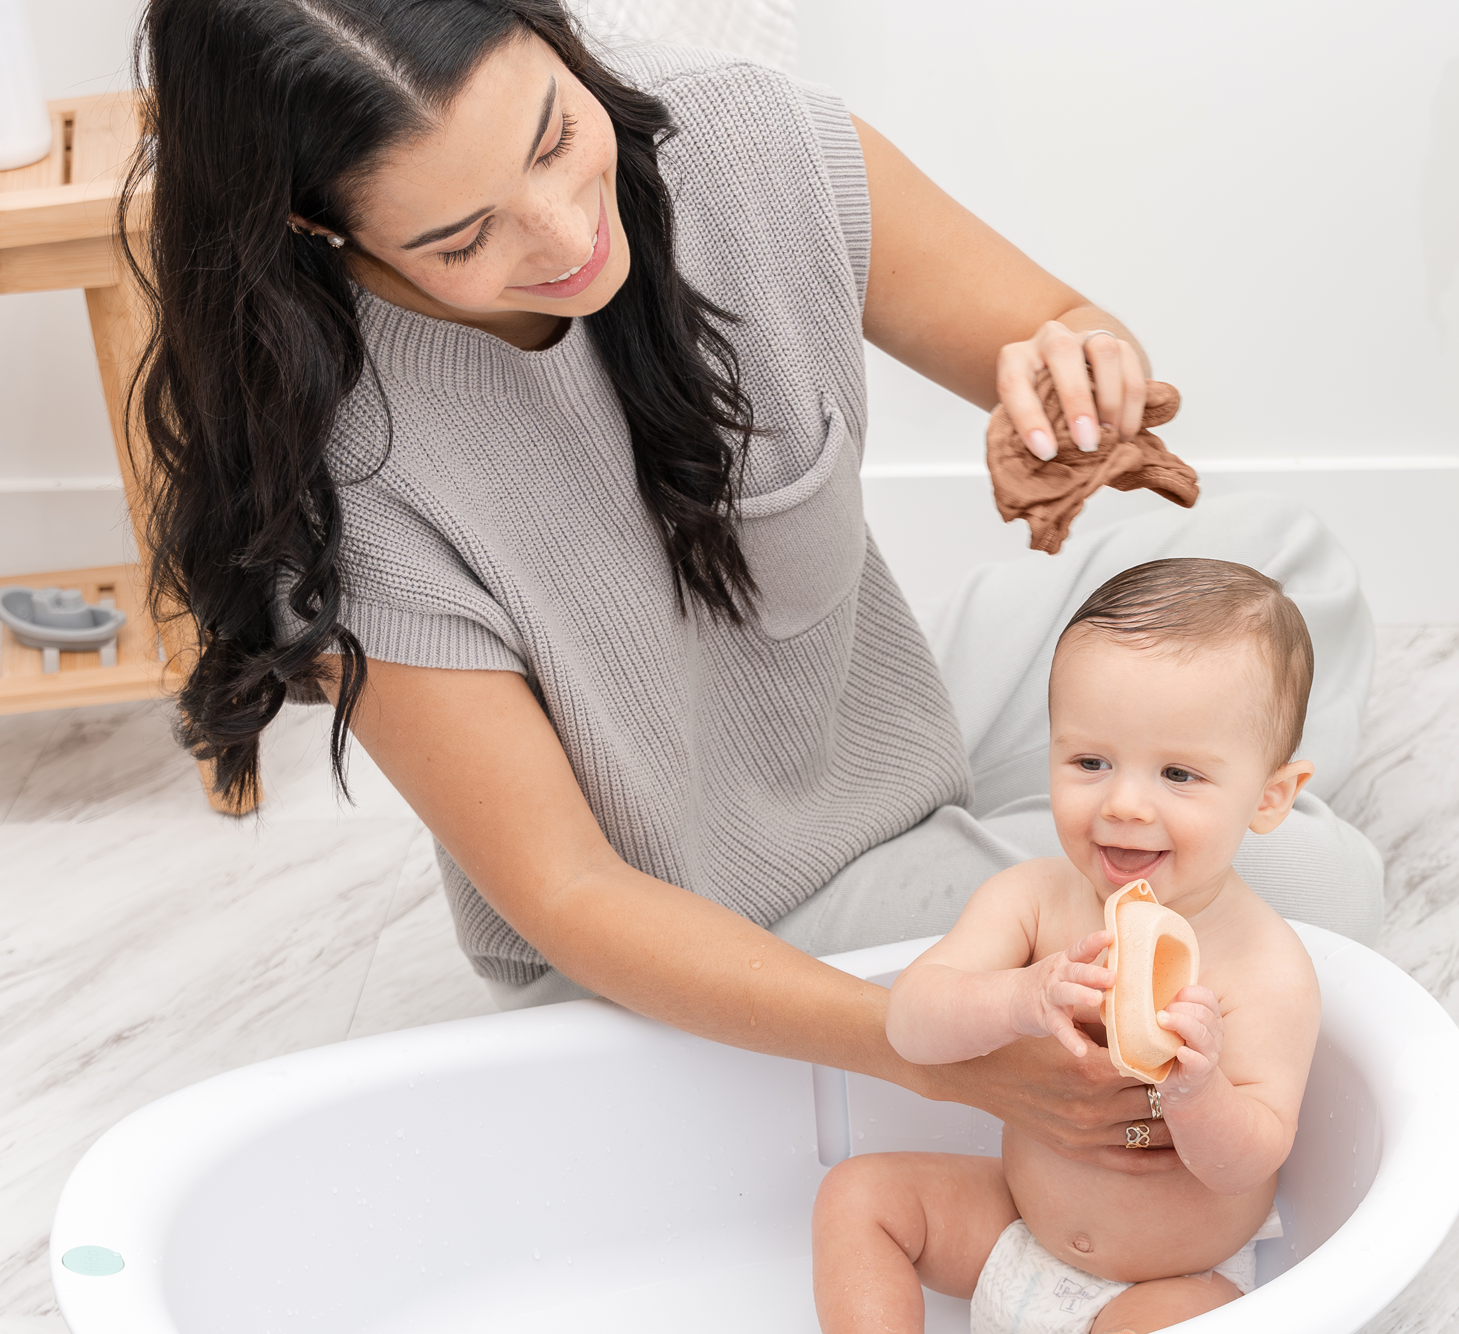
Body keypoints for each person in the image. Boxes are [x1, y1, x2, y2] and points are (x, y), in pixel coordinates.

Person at [130, 0, 1382, 1192]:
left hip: (878, 750)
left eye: (557, 137)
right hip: (706, 928)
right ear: (315, 230)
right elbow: (573, 893)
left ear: (554, 36)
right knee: (1315, 884)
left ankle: (1078, 853)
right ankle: (1120, 865)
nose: (567, 236)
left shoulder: (738, 142)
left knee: (1276, 573)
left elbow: (1052, 323)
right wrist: (928, 1046)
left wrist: (1073, 396)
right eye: (462, 238)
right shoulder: (330, 475)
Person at [813, 559, 1320, 1334]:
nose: (1122, 804)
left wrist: (1200, 1094)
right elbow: (913, 1020)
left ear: (1269, 798)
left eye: (1179, 775)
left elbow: (1253, 1157)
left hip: (1163, 1284)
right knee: (857, 1195)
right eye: (1089, 762)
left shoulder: (1266, 966)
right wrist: (1017, 996)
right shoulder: (1034, 901)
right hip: (1016, 1231)